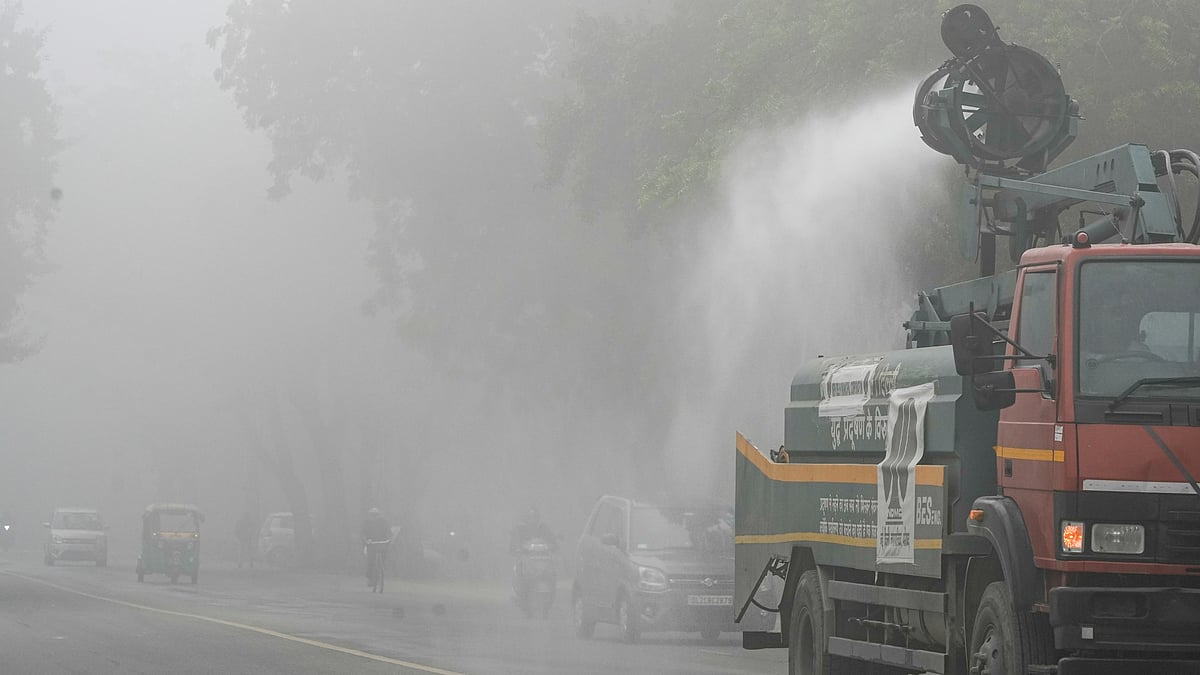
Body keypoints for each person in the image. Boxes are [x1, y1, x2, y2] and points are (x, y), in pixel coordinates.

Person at [362, 507, 392, 585]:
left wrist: (389, 539)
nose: (374, 516)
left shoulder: (384, 522)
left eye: (376, 515)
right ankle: (370, 578)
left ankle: (380, 574)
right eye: (373, 515)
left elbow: (388, 531)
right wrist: (366, 540)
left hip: (382, 543)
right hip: (371, 543)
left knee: (383, 558)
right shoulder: (367, 522)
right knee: (370, 560)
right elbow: (363, 533)